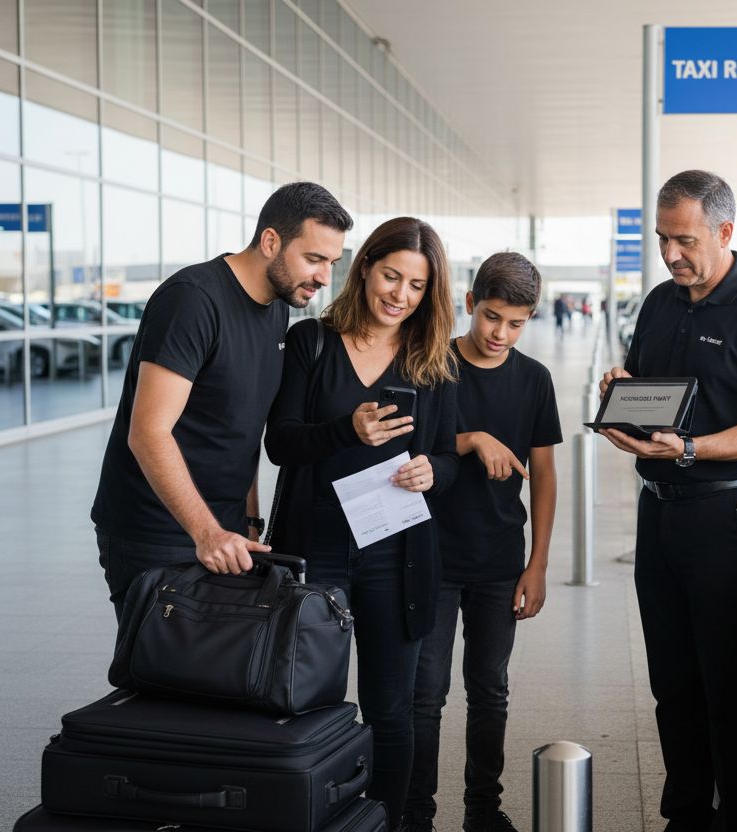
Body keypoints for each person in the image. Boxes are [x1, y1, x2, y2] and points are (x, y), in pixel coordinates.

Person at [598, 170, 737, 832]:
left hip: (726, 518)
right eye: (663, 239)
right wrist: (620, 394)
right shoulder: (660, 303)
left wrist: (692, 449)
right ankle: (685, 815)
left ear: (724, 231)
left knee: (727, 687)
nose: (671, 254)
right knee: (672, 683)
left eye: (684, 240)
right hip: (659, 510)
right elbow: (649, 391)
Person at [264, 216, 459, 831]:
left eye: (417, 285)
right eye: (391, 276)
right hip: (315, 548)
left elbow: (449, 456)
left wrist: (433, 472)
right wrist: (346, 430)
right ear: (366, 268)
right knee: (304, 705)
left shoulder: (434, 361)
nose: (400, 295)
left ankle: (386, 822)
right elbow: (280, 442)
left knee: (391, 713)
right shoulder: (312, 343)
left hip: (396, 553)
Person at [90, 182, 351, 624]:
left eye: (332, 262)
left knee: (218, 665)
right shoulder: (192, 300)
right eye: (314, 259)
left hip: (223, 533)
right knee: (164, 666)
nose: (324, 277)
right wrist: (207, 532)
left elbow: (241, 427)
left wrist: (248, 521)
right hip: (157, 532)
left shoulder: (276, 305)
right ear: (271, 241)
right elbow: (148, 432)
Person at [403, 253, 562, 832]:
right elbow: (405, 450)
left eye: (515, 323)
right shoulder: (430, 365)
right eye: (492, 317)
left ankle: (483, 811)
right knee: (425, 694)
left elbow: (543, 475)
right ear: (470, 304)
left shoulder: (534, 379)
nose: (500, 333)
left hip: (500, 561)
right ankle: (416, 814)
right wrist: (471, 439)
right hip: (432, 557)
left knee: (490, 690)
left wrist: (537, 564)